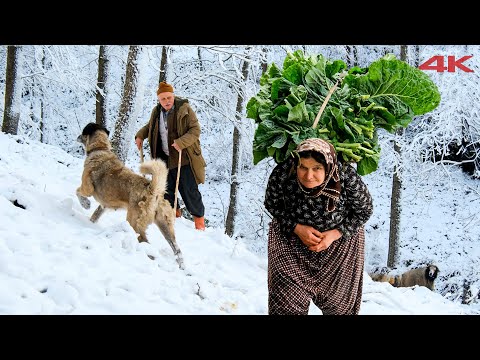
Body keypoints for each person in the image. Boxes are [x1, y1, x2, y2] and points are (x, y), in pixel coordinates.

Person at [264, 138, 373, 315]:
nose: (309, 176)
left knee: (340, 308)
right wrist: (296, 228)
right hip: (292, 247)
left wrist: (335, 234)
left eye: (317, 168)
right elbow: (272, 204)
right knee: (286, 305)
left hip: (339, 249)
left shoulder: (346, 177)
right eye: (303, 168)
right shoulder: (284, 174)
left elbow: (364, 211)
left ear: (328, 167)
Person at [135, 81, 206, 231]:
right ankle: (175, 217)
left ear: (173, 96)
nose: (167, 101)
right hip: (164, 157)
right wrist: (140, 135)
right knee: (166, 190)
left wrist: (181, 142)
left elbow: (195, 130)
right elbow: (150, 126)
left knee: (189, 190)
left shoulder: (184, 109)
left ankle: (199, 223)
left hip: (183, 157)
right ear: (159, 100)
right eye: (163, 99)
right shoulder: (156, 112)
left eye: (169, 97)